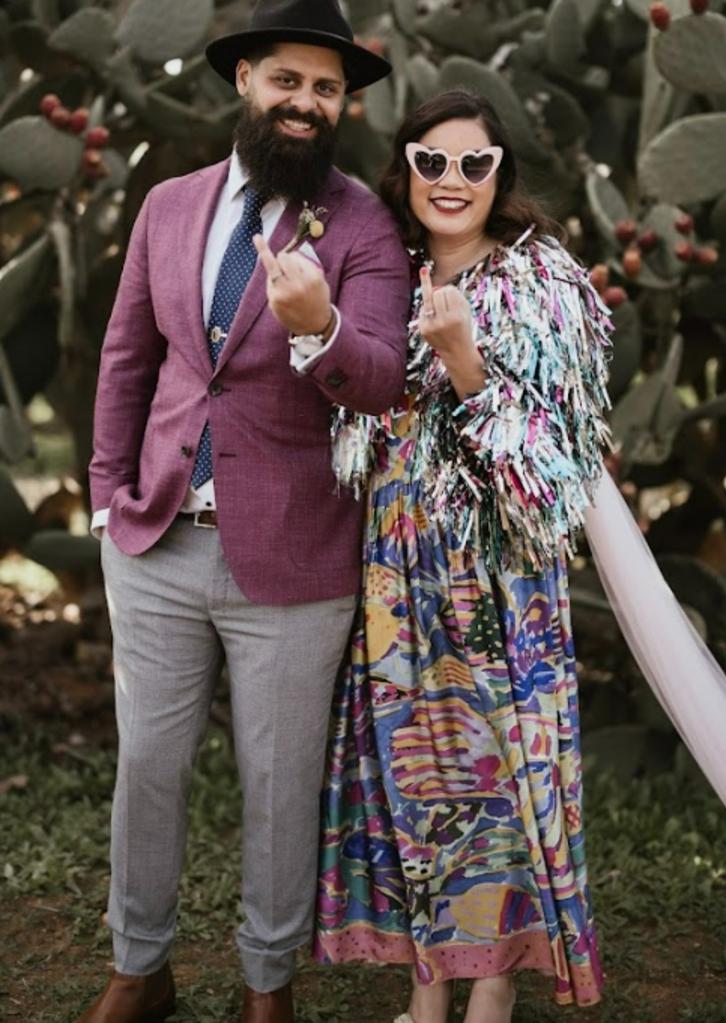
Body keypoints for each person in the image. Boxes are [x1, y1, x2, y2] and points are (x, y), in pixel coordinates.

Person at [82, 0, 410, 1020]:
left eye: (326, 88)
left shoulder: (365, 223)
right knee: (149, 766)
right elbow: (128, 356)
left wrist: (316, 331)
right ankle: (141, 967)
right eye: (289, 81)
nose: (306, 103)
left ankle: (268, 983)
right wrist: (104, 496)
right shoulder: (169, 206)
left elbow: (385, 377)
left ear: (343, 103)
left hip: (296, 557)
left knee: (277, 784)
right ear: (245, 83)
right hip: (157, 537)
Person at [314, 90, 613, 1023]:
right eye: (430, 160)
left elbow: (554, 475)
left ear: (500, 174)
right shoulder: (379, 274)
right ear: (404, 169)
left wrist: (466, 362)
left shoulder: (545, 283)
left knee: (497, 777)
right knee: (420, 777)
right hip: (397, 568)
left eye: (472, 163)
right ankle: (426, 988)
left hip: (501, 580)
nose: (451, 180)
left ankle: (493, 988)